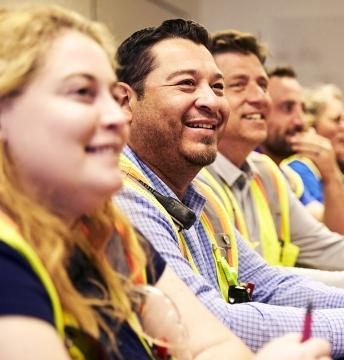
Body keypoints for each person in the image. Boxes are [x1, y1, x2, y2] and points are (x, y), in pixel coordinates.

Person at [0, 5, 281, 360]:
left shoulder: (102, 230)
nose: (115, 116)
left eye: (112, 96)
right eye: (82, 92)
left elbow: (209, 344)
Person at [114, 18, 344, 358]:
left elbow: (268, 283)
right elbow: (213, 320)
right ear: (124, 102)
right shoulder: (121, 194)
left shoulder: (196, 194)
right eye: (186, 84)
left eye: (218, 87)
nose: (212, 101)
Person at [201, 29, 344, 287]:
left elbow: (327, 248)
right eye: (238, 85)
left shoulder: (266, 173)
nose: (259, 98)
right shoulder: (192, 179)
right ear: (209, 98)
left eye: (262, 85)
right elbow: (254, 278)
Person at [261, 66, 344, 233]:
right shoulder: (300, 168)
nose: (300, 121)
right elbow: (333, 232)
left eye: (302, 110)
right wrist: (331, 174)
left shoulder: (287, 175)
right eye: (336, 120)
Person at [282, 84, 344, 206]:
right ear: (311, 125)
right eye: (336, 120)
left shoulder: (336, 172)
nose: (343, 126)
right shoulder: (299, 170)